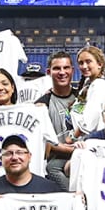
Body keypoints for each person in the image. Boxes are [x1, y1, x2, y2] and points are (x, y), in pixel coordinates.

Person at [34, 52, 78, 185]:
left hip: (83, 156)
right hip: (56, 161)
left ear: (72, 70)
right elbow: (41, 140)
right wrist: (69, 149)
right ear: (48, 72)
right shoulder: (41, 104)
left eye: (66, 68)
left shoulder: (82, 98)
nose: (62, 72)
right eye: (57, 68)